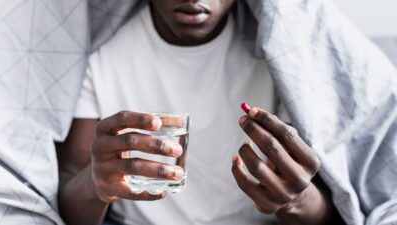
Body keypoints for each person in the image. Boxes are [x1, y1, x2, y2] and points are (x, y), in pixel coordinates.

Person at [55, 0, 397, 225]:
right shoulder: (103, 52)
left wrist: (296, 200)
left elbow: (332, 215)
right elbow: (70, 198)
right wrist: (97, 185)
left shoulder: (284, 54)